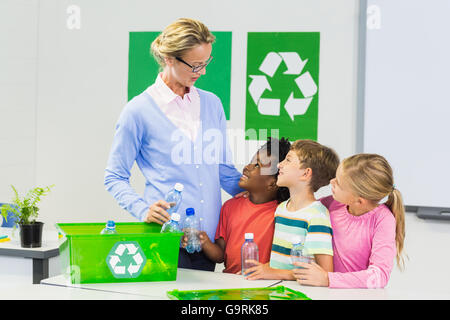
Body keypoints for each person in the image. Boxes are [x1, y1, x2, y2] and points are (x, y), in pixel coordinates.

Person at [104, 18, 243, 271]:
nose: (202, 72)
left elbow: (223, 170)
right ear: (170, 59)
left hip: (206, 243)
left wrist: (272, 195)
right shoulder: (138, 111)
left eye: (206, 63)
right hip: (163, 239)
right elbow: (114, 176)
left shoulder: (212, 104)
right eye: (195, 65)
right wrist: (142, 209)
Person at [293, 153, 406, 288]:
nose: (331, 182)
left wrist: (328, 279)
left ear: (359, 201)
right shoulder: (333, 204)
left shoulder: (383, 220)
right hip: (325, 293)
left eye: (339, 183)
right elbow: (305, 210)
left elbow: (379, 276)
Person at [183, 137, 291, 273]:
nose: (247, 167)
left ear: (272, 183)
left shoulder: (282, 213)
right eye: (251, 161)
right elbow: (220, 255)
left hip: (264, 285)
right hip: (230, 284)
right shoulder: (230, 207)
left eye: (257, 165)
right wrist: (204, 241)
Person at [244, 140, 340, 280]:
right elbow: (282, 263)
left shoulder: (317, 216)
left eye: (288, 160)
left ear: (306, 173)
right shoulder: (282, 209)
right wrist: (263, 269)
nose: (279, 165)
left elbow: (324, 273)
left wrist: (273, 273)